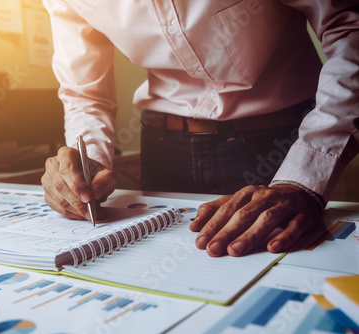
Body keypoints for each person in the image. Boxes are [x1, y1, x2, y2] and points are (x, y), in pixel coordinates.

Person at [40, 0, 359, 257]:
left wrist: (303, 179)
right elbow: (84, 94)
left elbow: (349, 29)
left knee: (282, 269)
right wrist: (87, 165)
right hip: (162, 151)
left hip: (279, 146)